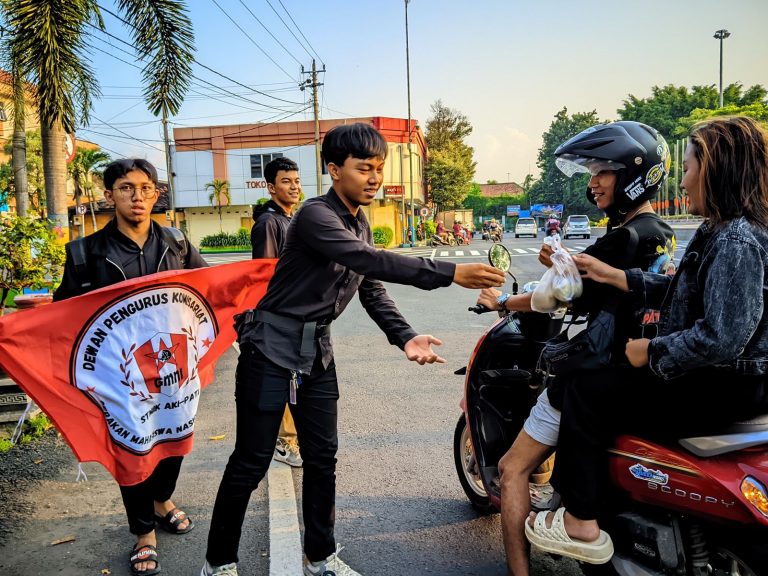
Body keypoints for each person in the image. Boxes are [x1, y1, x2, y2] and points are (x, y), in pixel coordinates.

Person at [200, 123, 505, 576]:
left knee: (323, 458)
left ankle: (321, 557)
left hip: (317, 355)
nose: (375, 177)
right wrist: (449, 272)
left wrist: (405, 335)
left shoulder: (359, 221)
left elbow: (370, 286)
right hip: (269, 351)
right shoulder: (314, 216)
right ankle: (219, 562)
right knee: (251, 460)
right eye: (364, 168)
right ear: (333, 169)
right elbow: (370, 260)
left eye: (379, 168)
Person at [524, 115, 768, 564]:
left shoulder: (735, 238)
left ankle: (580, 520)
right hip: (729, 382)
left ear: (717, 171)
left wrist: (651, 351)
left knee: (586, 389)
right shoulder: (724, 230)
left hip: (723, 386)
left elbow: (723, 337)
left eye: (691, 166)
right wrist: (615, 276)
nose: (684, 179)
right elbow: (685, 293)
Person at [476, 121, 676, 575]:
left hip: (600, 369)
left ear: (633, 174)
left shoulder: (623, 238)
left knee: (512, 469)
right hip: (641, 369)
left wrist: (501, 300)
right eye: (592, 171)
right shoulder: (657, 231)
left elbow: (556, 296)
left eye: (604, 170)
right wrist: (559, 262)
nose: (594, 182)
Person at [54, 158, 208, 576]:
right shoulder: (85, 254)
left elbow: (209, 292)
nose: (137, 196)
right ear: (110, 195)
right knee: (132, 451)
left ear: (156, 193)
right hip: (121, 379)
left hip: (176, 372)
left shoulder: (176, 244)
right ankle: (144, 533)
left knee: (175, 442)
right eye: (126, 188)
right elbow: (61, 315)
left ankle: (162, 501)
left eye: (145, 187)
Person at [251, 156, 304, 468]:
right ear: (271, 187)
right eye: (286, 181)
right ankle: (284, 442)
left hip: (295, 315)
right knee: (286, 380)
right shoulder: (270, 223)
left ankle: (289, 438)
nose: (294, 186)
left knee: (294, 380)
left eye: (296, 181)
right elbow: (265, 275)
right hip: (280, 317)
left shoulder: (288, 219)